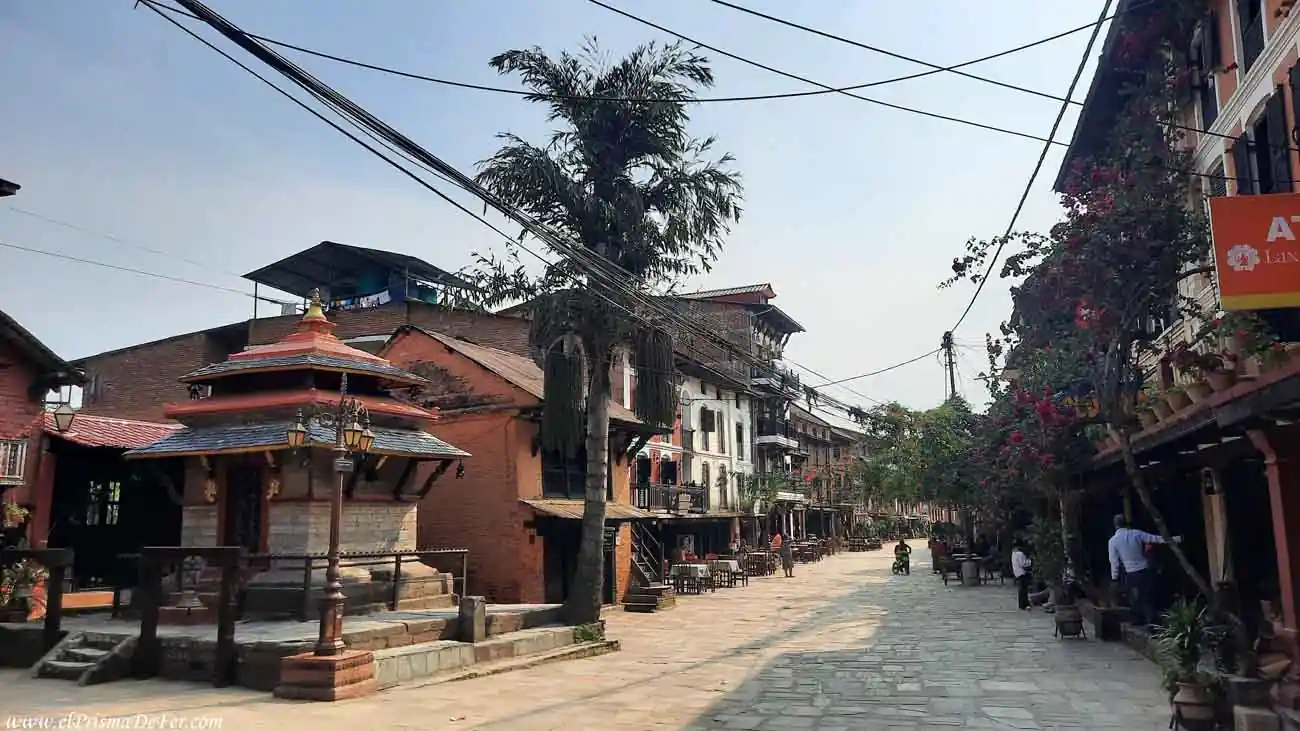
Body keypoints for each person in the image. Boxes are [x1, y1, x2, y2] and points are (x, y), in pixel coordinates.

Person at [1108, 514, 1179, 627]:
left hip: (1131, 573)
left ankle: (1138, 620)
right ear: (1126, 523)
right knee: (1148, 597)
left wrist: (1114, 577)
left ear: (1115, 525)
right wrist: (1175, 539)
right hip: (1145, 570)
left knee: (1134, 598)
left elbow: (1114, 562)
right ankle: (1152, 623)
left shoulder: (1113, 541)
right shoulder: (1136, 534)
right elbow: (1156, 539)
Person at [1011, 541, 1033, 610]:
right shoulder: (1020, 554)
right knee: (1023, 589)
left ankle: (1022, 604)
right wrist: (1030, 560)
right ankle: (1024, 604)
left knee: (1021, 588)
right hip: (1022, 572)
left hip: (1017, 572)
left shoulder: (1013, 553)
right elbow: (1023, 564)